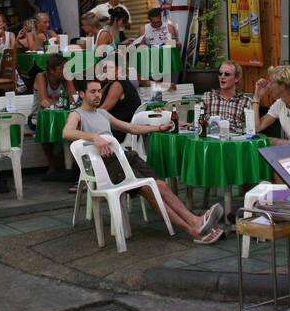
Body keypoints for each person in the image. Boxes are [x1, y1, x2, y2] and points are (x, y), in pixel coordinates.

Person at [62, 79, 224, 244]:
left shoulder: (103, 113)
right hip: (105, 164)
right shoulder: (77, 114)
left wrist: (157, 128)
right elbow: (67, 132)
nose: (98, 95)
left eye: (99, 91)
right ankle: (193, 231)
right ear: (82, 94)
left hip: (125, 157)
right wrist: (94, 137)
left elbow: (130, 128)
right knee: (149, 189)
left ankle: (196, 221)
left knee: (160, 185)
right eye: (93, 92)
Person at [33, 52, 78, 180]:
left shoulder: (64, 79)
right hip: (38, 117)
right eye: (61, 69)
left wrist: (69, 81)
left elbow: (74, 101)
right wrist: (61, 103)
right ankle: (52, 165)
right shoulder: (41, 77)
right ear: (51, 71)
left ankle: (72, 167)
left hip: (60, 116)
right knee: (45, 127)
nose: (64, 71)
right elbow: (45, 101)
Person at [199, 60, 251, 133]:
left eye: (227, 74)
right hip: (212, 140)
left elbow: (251, 128)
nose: (222, 77)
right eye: (220, 73)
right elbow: (196, 124)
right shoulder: (208, 97)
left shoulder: (245, 101)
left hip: (234, 141)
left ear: (236, 78)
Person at [98, 57, 141, 124]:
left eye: (110, 68)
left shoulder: (118, 84)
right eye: (105, 68)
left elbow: (105, 108)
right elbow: (97, 98)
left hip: (121, 127)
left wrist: (87, 116)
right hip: (117, 123)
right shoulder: (111, 82)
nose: (106, 70)